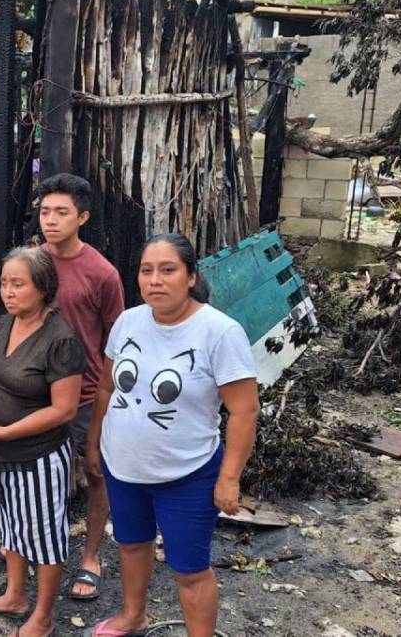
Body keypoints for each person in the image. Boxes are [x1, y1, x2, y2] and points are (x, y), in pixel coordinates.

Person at [86, 233, 260, 637]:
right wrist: (95, 442)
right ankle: (133, 615)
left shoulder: (219, 332)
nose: (155, 280)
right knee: (131, 544)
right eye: (147, 271)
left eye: (168, 270)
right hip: (124, 467)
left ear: (190, 276)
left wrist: (229, 477)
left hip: (188, 474)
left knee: (190, 568)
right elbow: (107, 388)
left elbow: (244, 410)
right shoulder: (128, 322)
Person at [0, 247, 85, 637]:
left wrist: (6, 431)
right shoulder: (7, 321)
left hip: (38, 457)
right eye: (4, 283)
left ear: (43, 287)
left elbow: (63, 410)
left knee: (45, 536)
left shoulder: (60, 339)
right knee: (11, 525)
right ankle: (15, 595)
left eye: (19, 284)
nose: (8, 292)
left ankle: (44, 616)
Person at [37, 173, 125, 601]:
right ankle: (33, 545)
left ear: (82, 217)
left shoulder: (102, 274)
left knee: (95, 472)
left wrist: (106, 396)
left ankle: (90, 555)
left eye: (61, 213)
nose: (50, 221)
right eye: (45, 211)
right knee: (36, 473)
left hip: (88, 393)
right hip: (35, 393)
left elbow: (115, 341)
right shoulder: (32, 263)